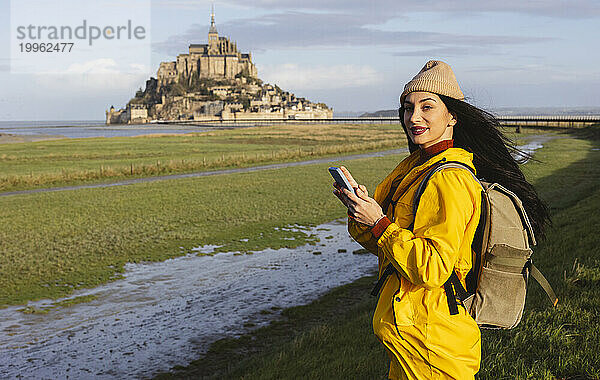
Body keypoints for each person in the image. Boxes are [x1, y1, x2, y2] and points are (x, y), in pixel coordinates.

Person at [333, 60, 550, 379]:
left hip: (435, 346)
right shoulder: (413, 169)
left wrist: (380, 222)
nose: (414, 117)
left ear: (453, 116)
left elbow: (433, 267)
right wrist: (362, 212)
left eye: (427, 107)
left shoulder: (448, 179)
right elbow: (384, 247)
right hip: (411, 342)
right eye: (408, 108)